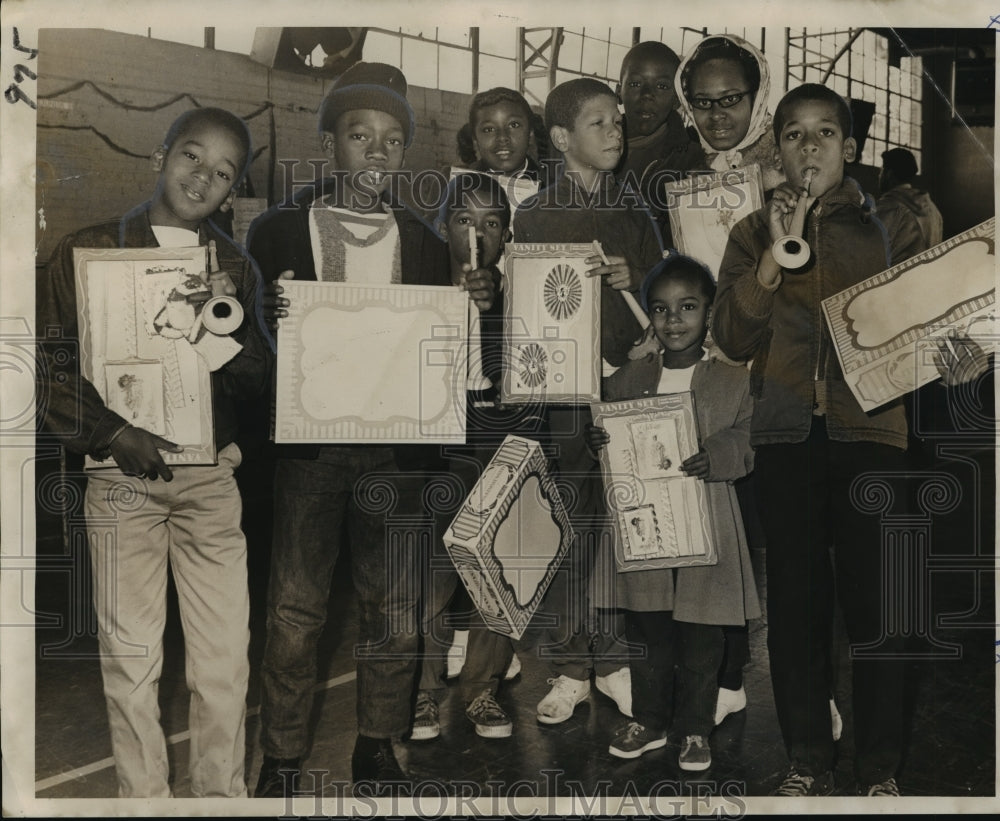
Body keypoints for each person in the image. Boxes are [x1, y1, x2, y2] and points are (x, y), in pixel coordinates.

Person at [247, 62, 495, 796]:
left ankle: (378, 743)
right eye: (360, 136)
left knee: (392, 607)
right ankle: (283, 754)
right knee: (294, 609)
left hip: (397, 452)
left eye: (392, 140)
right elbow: (252, 340)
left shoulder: (424, 244)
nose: (376, 152)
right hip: (309, 449)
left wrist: (469, 302)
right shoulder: (278, 230)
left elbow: (438, 350)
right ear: (330, 144)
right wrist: (274, 317)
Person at [36, 107, 269, 797]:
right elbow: (48, 368)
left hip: (208, 483)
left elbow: (256, 382)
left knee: (224, 663)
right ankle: (144, 804)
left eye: (223, 172)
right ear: (160, 154)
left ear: (232, 192)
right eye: (192, 156)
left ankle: (221, 802)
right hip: (120, 480)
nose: (203, 177)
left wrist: (222, 322)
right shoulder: (87, 249)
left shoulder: (234, 265)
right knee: (132, 663)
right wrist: (112, 433)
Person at [713, 82, 937, 797]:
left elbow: (926, 330)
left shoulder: (891, 227)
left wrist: (957, 353)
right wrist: (773, 265)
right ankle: (808, 755)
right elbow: (731, 334)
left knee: (881, 612)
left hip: (873, 433)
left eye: (824, 133)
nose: (809, 148)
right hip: (784, 437)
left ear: (850, 147)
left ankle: (879, 768)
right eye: (793, 135)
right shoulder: (750, 235)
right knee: (797, 612)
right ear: (775, 150)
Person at [513, 77, 664, 726]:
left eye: (618, 120)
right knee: (572, 534)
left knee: (629, 533)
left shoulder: (636, 215)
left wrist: (645, 300)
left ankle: (618, 661)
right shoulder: (535, 215)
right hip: (568, 398)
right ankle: (573, 667)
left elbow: (670, 305)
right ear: (560, 138)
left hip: (631, 389)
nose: (615, 131)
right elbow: (528, 316)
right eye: (598, 122)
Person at [588, 253, 760, 772]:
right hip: (647, 530)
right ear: (650, 316)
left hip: (706, 525)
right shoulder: (626, 380)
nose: (674, 320)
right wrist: (600, 440)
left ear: (709, 312)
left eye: (688, 307)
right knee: (651, 631)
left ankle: (694, 728)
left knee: (702, 637)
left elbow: (748, 440)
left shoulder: (731, 381)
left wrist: (720, 454)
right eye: (661, 310)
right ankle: (652, 717)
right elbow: (612, 442)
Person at [413, 172, 522, 742]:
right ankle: (426, 694)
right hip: (438, 438)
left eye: (491, 222)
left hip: (499, 430)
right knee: (434, 569)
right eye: (463, 220)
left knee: (496, 564)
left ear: (506, 234)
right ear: (442, 228)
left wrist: (496, 304)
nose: (477, 233)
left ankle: (483, 689)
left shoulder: (521, 290)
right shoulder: (419, 286)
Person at [615, 41, 704, 193]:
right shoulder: (590, 144)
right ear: (618, 92)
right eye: (635, 84)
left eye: (662, 86)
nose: (647, 94)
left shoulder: (688, 161)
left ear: (676, 100)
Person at [877, 147, 943, 252]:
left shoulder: (888, 208)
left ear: (889, 174)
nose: (879, 175)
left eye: (881, 170)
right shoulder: (933, 210)